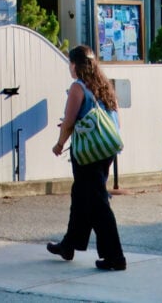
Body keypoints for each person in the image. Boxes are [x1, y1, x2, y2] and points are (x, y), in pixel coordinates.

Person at [47, 44, 127, 271]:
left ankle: (115, 257)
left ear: (75, 64)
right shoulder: (104, 87)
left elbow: (70, 121)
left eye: (70, 64)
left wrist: (60, 143)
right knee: (82, 195)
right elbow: (113, 119)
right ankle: (69, 244)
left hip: (87, 153)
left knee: (97, 202)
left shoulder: (78, 88)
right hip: (106, 149)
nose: (69, 68)